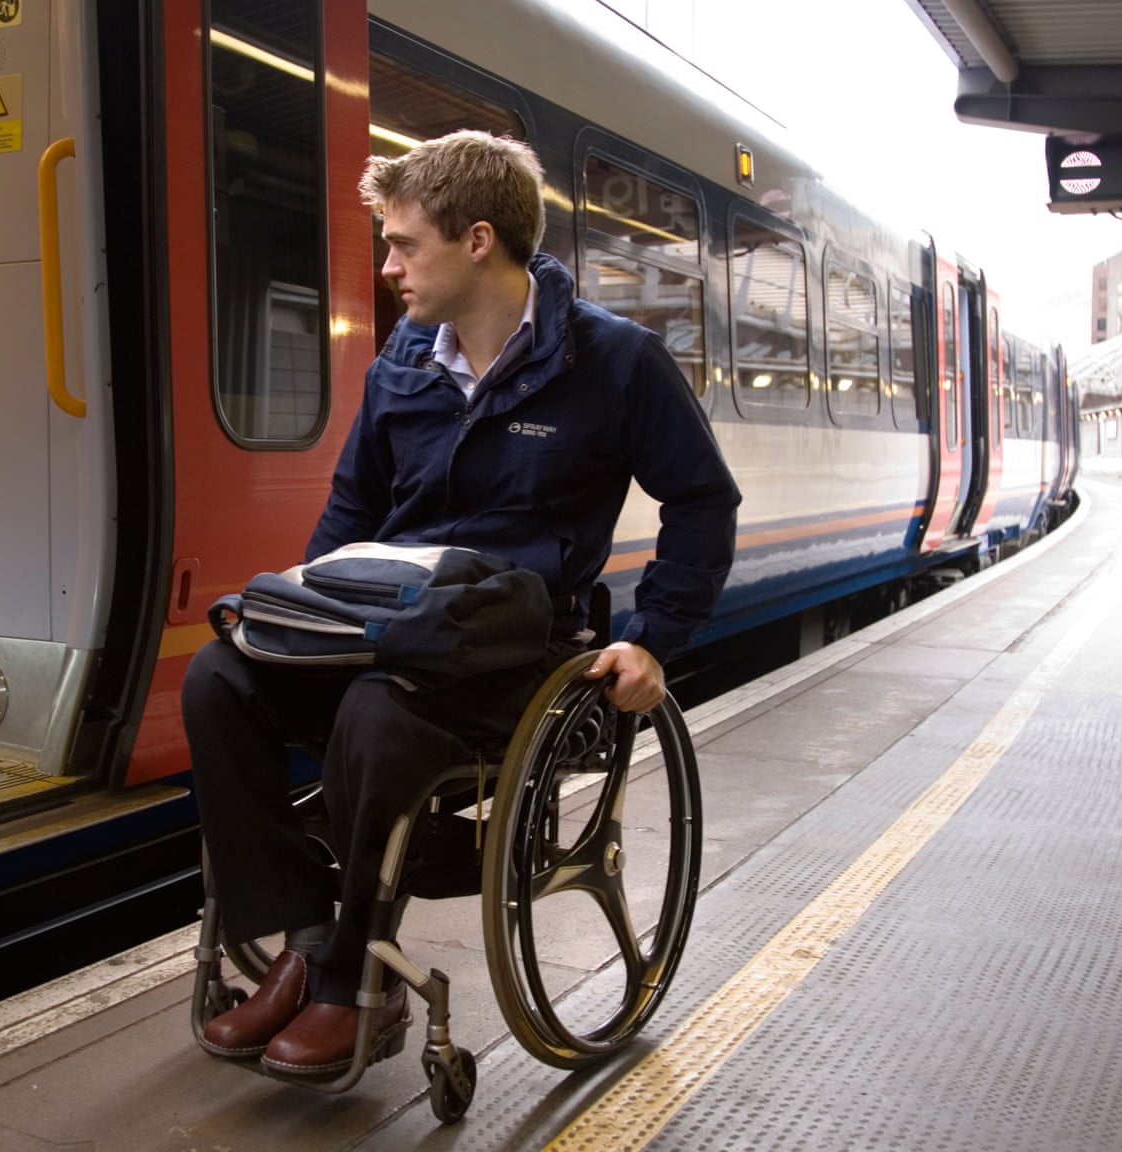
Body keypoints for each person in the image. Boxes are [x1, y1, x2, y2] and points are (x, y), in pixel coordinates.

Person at [181, 131, 740, 1082]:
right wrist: (303, 622)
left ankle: (358, 978)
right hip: (385, 627)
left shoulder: (614, 361)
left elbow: (702, 501)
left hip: (513, 653)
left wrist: (654, 639)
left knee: (376, 714)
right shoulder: (402, 359)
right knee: (218, 679)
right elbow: (355, 510)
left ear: (479, 240)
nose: (388, 265)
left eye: (404, 244)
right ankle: (311, 940)